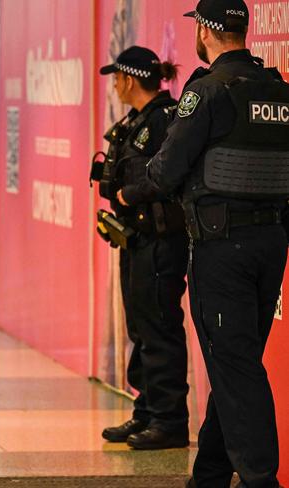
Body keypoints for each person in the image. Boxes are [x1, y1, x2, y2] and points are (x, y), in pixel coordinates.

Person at [146, 1, 289, 486]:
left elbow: (165, 172)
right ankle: (208, 476)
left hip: (220, 246)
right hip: (271, 243)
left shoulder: (207, 92)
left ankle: (260, 479)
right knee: (235, 359)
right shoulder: (280, 91)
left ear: (206, 31)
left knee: (235, 365)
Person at [95, 46, 190, 450]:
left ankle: (169, 422)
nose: (114, 85)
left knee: (160, 329)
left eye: (116, 77)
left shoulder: (166, 121)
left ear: (128, 79)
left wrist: (131, 195)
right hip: (134, 240)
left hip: (160, 241)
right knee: (141, 329)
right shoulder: (135, 122)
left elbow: (168, 177)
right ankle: (148, 412)